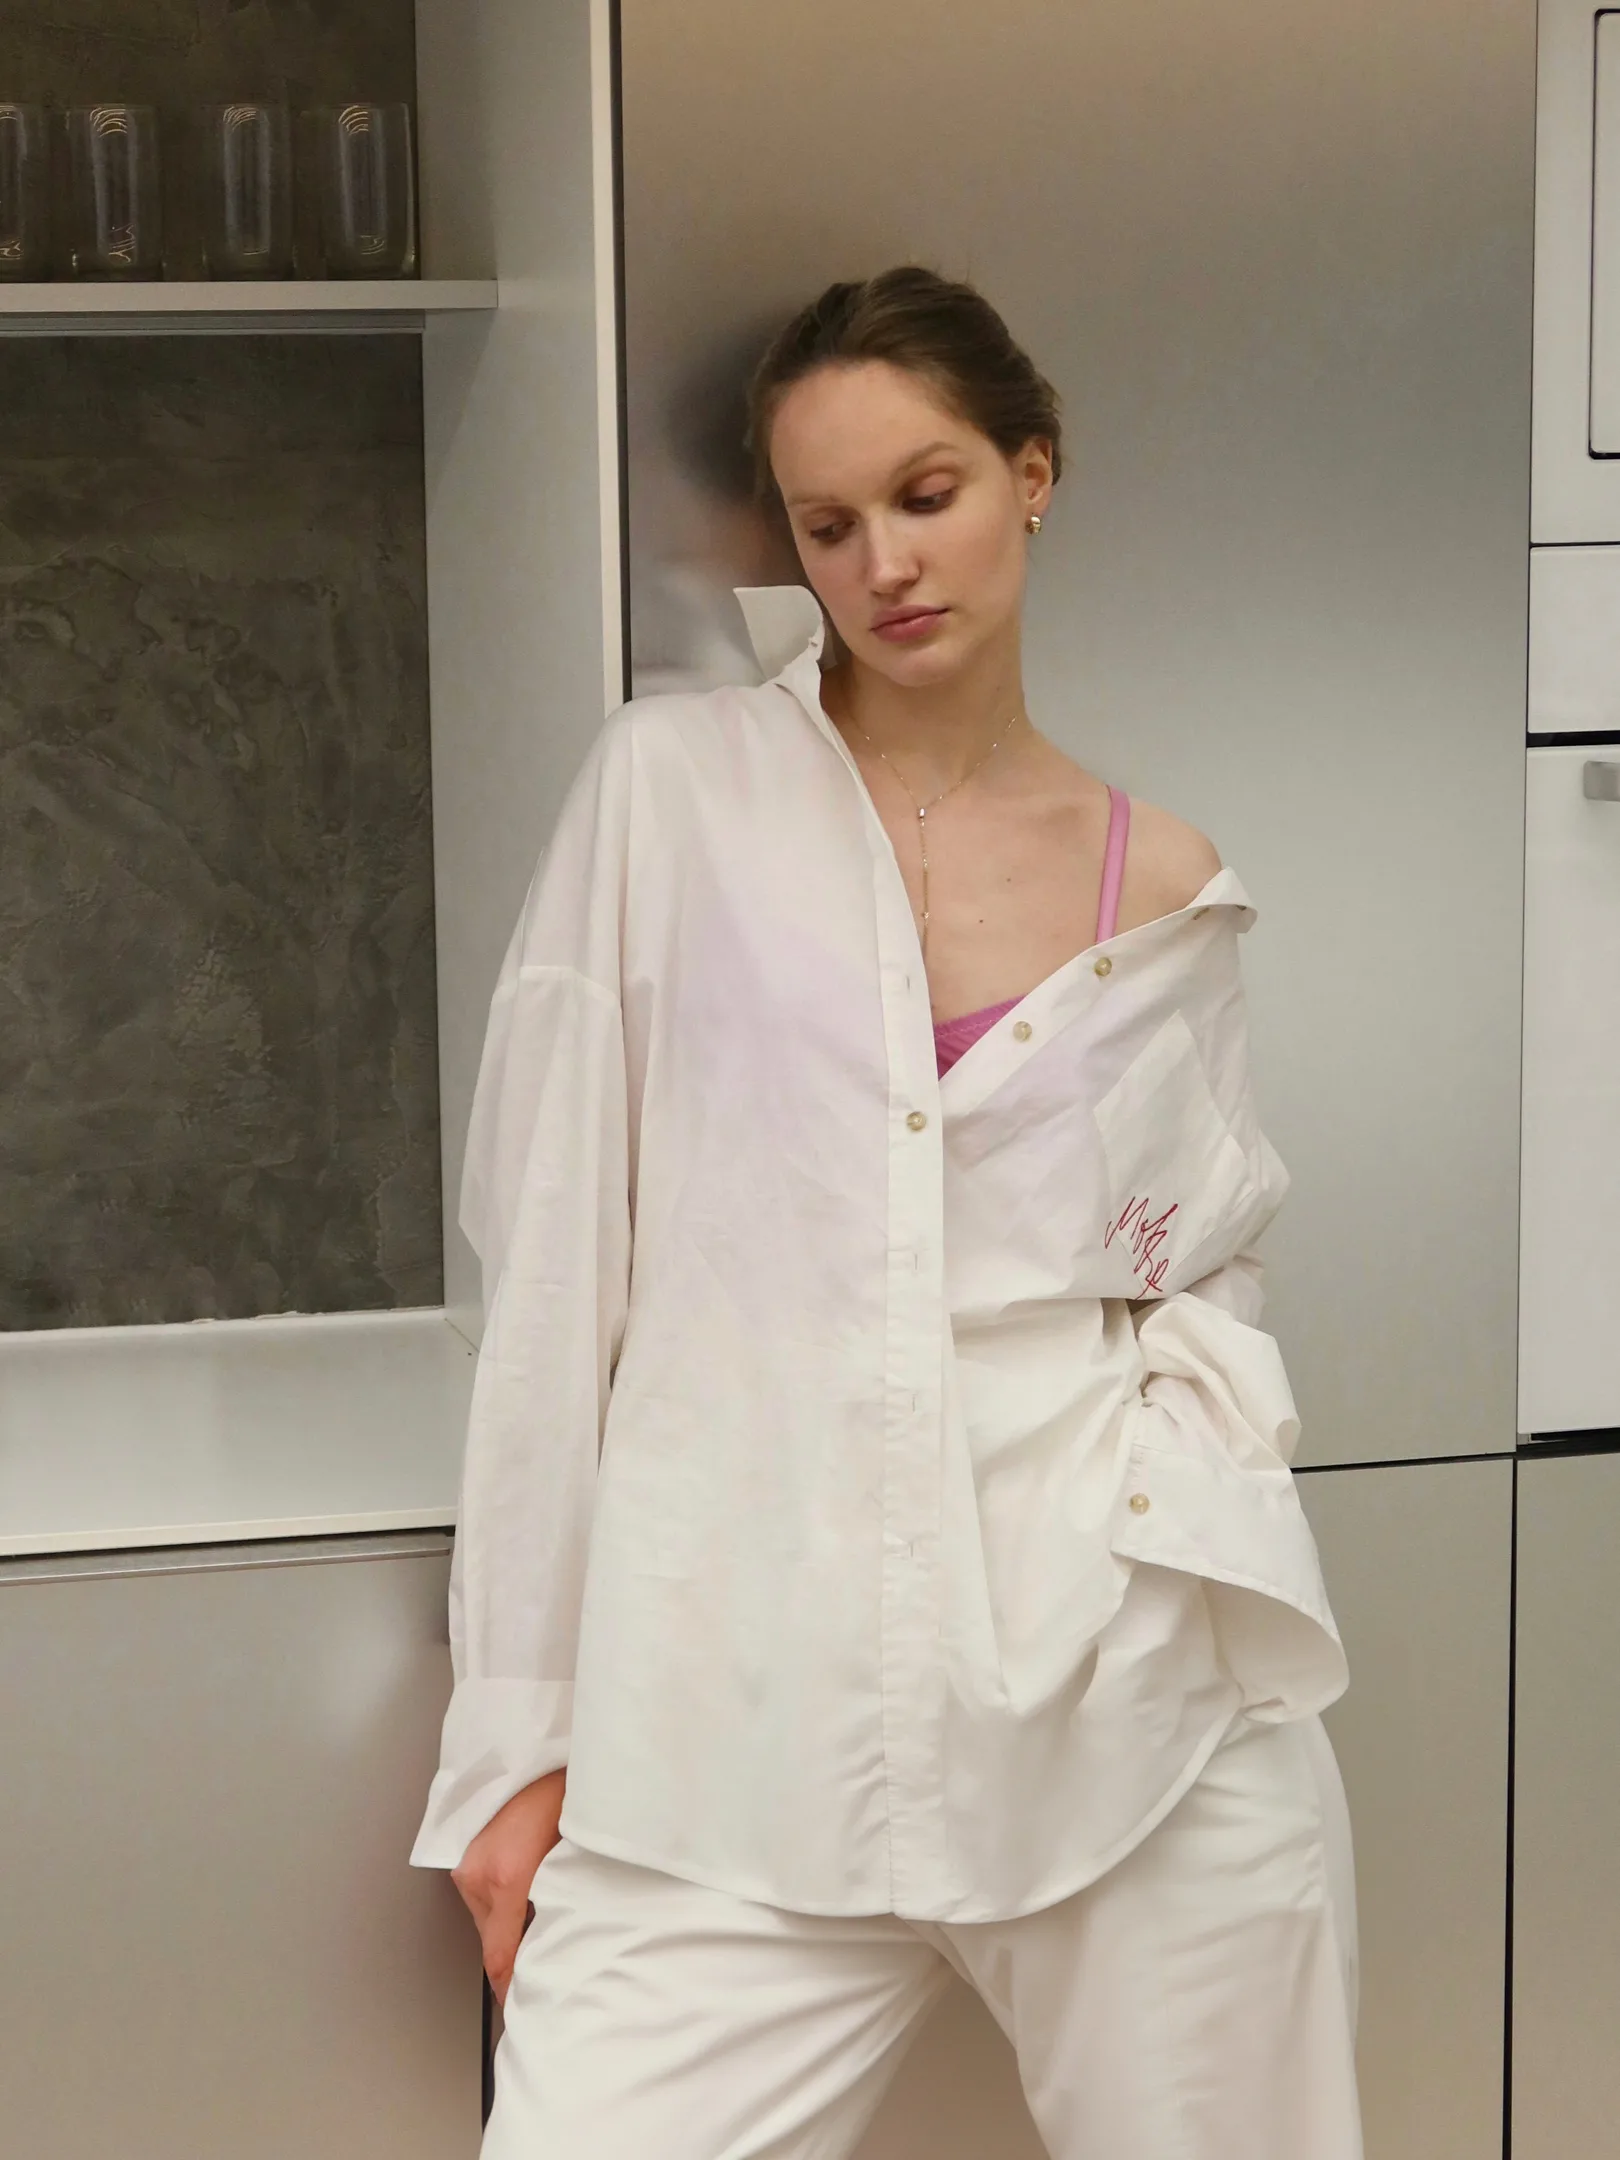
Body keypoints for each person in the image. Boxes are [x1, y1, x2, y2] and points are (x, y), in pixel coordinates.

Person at [411, 263, 1362, 2160]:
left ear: (1033, 473)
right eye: (829, 525)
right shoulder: (672, 793)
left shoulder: (1160, 879)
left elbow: (1197, 1275)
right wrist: (517, 1734)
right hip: (732, 1717)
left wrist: (1171, 1496)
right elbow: (551, 1277)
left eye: (927, 495)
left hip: (1123, 1702)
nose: (884, 565)